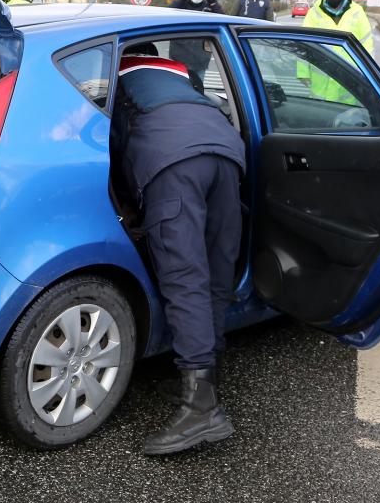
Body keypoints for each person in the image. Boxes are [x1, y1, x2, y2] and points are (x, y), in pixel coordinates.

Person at [109, 41, 245, 455]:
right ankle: (205, 374)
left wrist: (131, 211)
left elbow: (115, 156)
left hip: (173, 163)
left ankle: (201, 409)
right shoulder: (181, 76)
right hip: (227, 155)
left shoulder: (114, 79)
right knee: (216, 272)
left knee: (184, 278)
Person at [296, 0, 374, 103]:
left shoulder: (357, 12)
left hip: (349, 76)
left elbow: (367, 44)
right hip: (321, 79)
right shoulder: (314, 13)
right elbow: (304, 44)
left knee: (348, 112)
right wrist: (302, 72)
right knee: (321, 112)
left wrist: (368, 74)